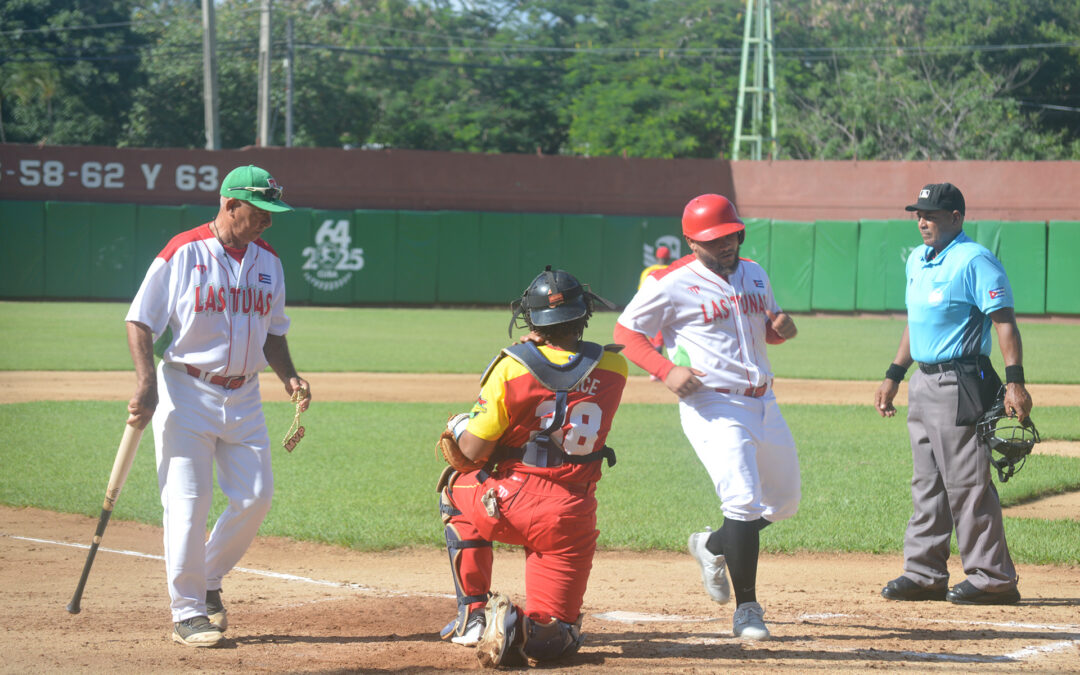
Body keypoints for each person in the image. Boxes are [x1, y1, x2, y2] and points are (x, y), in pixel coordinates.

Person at [125, 165, 312, 647]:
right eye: (261, 212)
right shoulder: (182, 252)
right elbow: (141, 320)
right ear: (231, 205)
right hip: (186, 391)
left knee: (255, 497)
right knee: (188, 504)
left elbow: (274, 332)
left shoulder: (269, 260)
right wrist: (146, 383)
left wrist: (289, 376)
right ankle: (187, 612)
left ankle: (206, 579)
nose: (269, 222)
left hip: (245, 395)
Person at [613, 194, 800, 641]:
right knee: (742, 501)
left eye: (730, 236)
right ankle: (748, 609)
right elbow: (626, 332)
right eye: (713, 240)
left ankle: (712, 545)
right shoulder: (670, 282)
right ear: (691, 242)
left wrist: (780, 331)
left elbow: (762, 329)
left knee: (785, 503)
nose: (725, 246)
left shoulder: (754, 272)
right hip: (712, 403)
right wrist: (665, 369)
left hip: (763, 401)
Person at [435, 267, 628, 668]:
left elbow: (471, 451)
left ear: (532, 319)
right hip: (569, 516)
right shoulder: (614, 368)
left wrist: (458, 425)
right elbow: (569, 373)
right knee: (558, 637)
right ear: (583, 315)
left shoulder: (514, 365)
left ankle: (473, 615)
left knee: (455, 485)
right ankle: (520, 627)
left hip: (506, 502)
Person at [875, 182, 1032, 606]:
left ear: (956, 218)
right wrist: (894, 374)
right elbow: (916, 322)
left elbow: (1004, 323)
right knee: (927, 482)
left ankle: (993, 578)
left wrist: (1015, 381)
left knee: (967, 483)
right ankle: (924, 573)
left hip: (961, 379)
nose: (922, 221)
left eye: (932, 214)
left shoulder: (974, 260)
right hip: (922, 382)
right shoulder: (918, 261)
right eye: (918, 214)